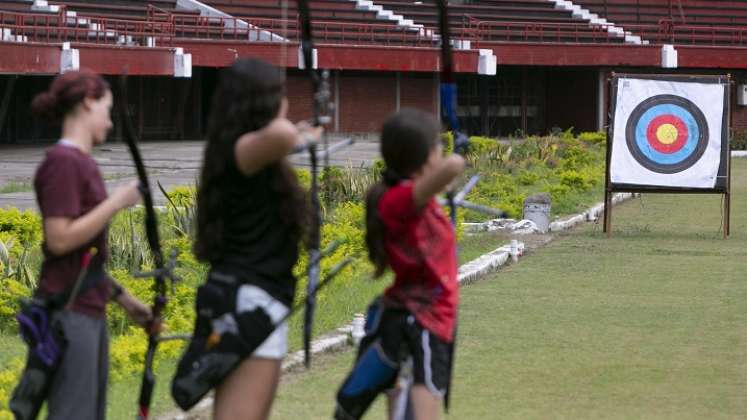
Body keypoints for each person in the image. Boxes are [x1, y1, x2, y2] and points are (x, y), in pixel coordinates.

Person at [171, 58, 321, 420]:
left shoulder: (247, 150)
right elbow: (284, 135)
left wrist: (300, 135)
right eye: (279, 94)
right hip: (247, 304)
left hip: (255, 299)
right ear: (262, 101)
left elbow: (284, 136)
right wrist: (298, 135)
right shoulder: (239, 149)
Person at [11, 69, 153, 420]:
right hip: (69, 316)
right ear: (88, 103)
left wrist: (126, 301)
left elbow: (83, 259)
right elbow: (60, 240)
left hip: (86, 308)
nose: (110, 119)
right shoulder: (64, 163)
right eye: (107, 107)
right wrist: (116, 203)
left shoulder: (81, 163)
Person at [334, 108, 465, 420]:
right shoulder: (397, 199)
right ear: (424, 157)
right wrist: (457, 156)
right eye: (438, 147)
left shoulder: (414, 198)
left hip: (424, 315)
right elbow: (448, 171)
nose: (442, 153)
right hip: (423, 321)